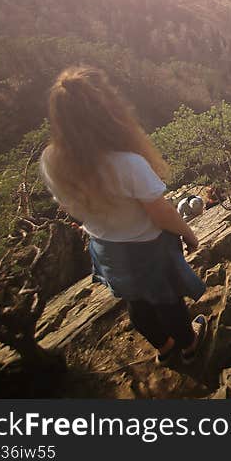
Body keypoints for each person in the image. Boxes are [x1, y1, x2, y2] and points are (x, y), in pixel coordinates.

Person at [39, 66, 207, 366]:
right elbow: (162, 212)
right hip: (148, 248)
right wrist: (188, 233)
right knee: (168, 301)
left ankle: (165, 347)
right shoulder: (126, 164)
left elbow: (67, 207)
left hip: (105, 248)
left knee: (135, 301)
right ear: (106, 112)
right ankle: (190, 346)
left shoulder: (51, 160)